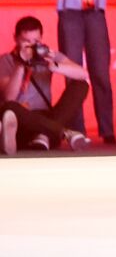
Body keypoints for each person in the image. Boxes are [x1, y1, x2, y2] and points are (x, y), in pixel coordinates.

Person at [52, 0, 116, 142]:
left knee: (100, 72)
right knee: (73, 73)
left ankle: (107, 130)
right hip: (70, 15)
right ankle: (77, 129)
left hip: (95, 15)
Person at [0, 16, 92, 154]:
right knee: (9, 107)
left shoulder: (47, 55)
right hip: (21, 118)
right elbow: (9, 97)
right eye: (26, 41)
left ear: (41, 39)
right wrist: (20, 65)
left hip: (47, 116)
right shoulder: (6, 60)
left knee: (81, 85)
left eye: (36, 41)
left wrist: (55, 66)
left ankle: (43, 136)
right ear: (16, 39)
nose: (31, 46)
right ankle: (62, 133)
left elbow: (83, 74)